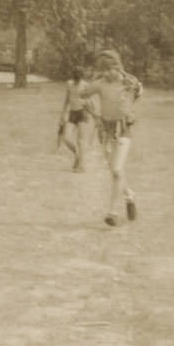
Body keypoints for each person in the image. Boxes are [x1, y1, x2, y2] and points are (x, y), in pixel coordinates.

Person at [80, 49, 142, 227]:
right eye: (103, 70)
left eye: (109, 69)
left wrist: (130, 112)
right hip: (106, 132)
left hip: (123, 129)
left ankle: (112, 212)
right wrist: (94, 114)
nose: (107, 73)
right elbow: (82, 95)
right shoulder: (99, 84)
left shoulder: (129, 82)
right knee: (116, 170)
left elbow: (138, 94)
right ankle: (129, 195)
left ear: (117, 67)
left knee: (116, 169)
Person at [59, 67, 92, 172]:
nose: (77, 80)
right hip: (72, 113)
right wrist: (63, 113)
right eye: (75, 78)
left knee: (81, 140)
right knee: (66, 138)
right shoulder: (69, 84)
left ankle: (81, 166)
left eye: (79, 78)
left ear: (81, 77)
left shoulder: (85, 85)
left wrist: (91, 110)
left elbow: (90, 101)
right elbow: (67, 98)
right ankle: (77, 154)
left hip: (83, 113)